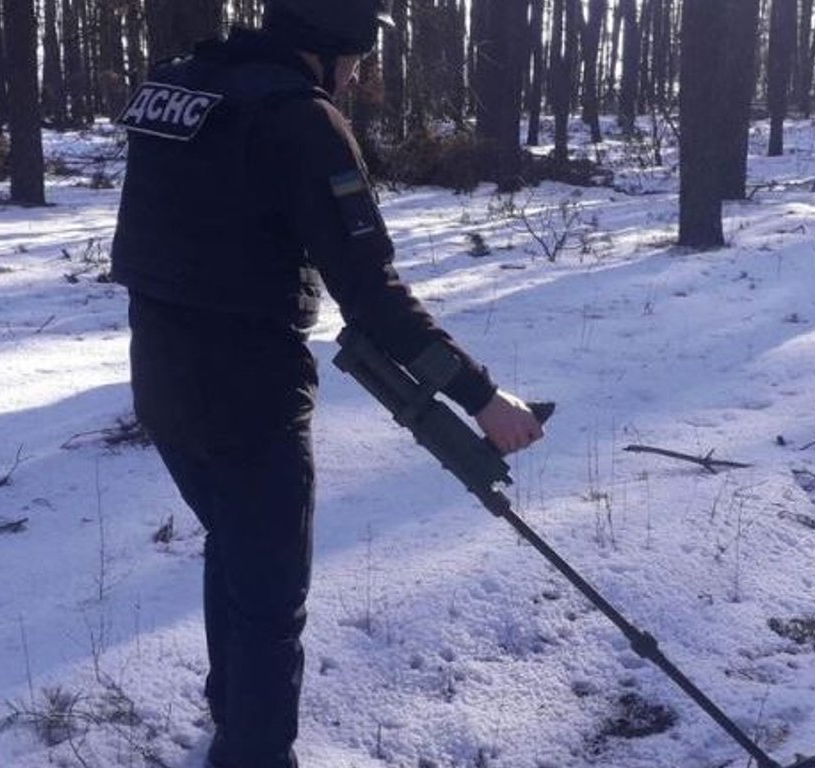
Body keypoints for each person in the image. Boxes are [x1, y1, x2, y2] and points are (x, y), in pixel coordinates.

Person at [109, 1, 544, 765]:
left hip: (163, 381)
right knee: (272, 602)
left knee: (237, 556)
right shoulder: (299, 118)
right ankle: (253, 752)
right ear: (333, 48)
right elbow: (372, 295)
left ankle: (232, 723)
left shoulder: (182, 85)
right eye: (358, 58)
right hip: (250, 395)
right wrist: (481, 397)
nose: (358, 75)